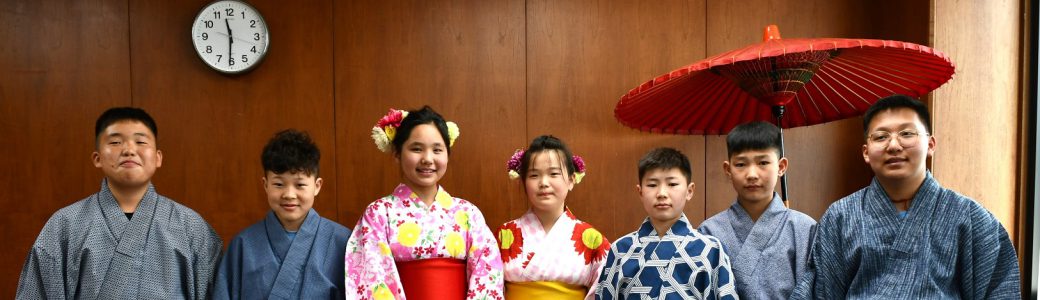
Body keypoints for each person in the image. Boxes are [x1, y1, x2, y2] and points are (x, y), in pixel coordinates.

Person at [791, 94, 1021, 299]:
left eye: (907, 134)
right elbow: (820, 292)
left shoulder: (971, 218)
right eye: (880, 137)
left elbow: (999, 291)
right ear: (866, 152)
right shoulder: (840, 217)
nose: (893, 145)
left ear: (930, 144)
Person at [16, 107, 222, 299]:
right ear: (97, 158)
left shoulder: (191, 227)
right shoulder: (65, 225)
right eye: (115, 142)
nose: (129, 150)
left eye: (141, 142)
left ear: (158, 158)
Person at [344, 106, 504, 299]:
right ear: (397, 153)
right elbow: (372, 277)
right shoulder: (379, 213)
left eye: (437, 150)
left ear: (447, 153)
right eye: (416, 149)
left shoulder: (468, 213)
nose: (428, 159)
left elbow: (487, 276)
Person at [212, 129, 352, 299]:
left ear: (317, 186)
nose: (289, 194)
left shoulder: (343, 242)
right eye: (279, 184)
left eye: (300, 185)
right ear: (265, 185)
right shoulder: (243, 244)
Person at [595, 147, 737, 300]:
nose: (662, 193)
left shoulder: (711, 249)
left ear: (689, 191)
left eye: (672, 184)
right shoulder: (620, 250)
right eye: (652, 185)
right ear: (640, 192)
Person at [698, 121, 816, 299]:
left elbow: (814, 290)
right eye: (740, 164)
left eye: (763, 162)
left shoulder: (804, 228)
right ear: (727, 170)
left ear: (781, 167)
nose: (752, 174)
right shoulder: (709, 231)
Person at [496, 135, 610, 299]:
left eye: (554, 173)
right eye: (534, 175)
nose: (543, 182)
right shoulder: (505, 234)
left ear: (571, 180)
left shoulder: (591, 238)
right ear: (523, 182)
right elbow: (489, 284)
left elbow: (606, 287)